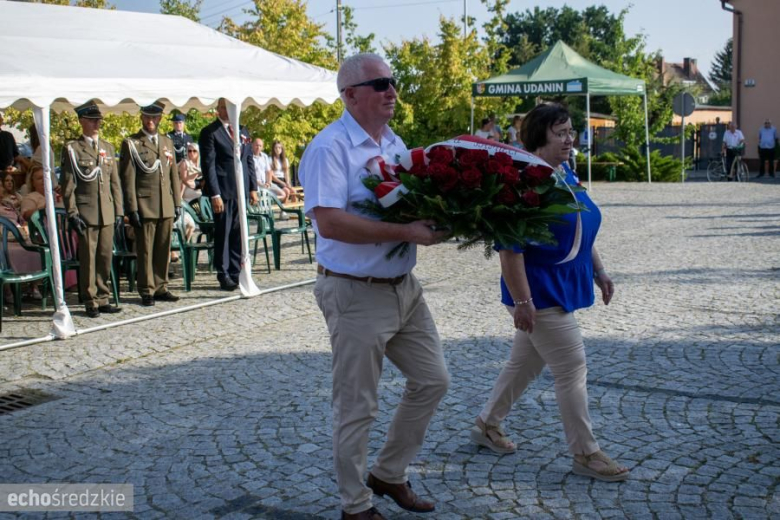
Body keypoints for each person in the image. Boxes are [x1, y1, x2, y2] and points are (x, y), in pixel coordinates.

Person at [299, 53, 450, 520]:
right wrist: (406, 232)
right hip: (354, 291)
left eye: (393, 81)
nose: (392, 91)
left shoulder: (395, 142)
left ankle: (387, 473)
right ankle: (354, 505)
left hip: (403, 287)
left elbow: (406, 202)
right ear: (350, 96)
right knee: (357, 406)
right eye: (380, 83)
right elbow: (329, 223)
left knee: (433, 380)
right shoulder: (330, 148)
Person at [470, 103, 629, 483]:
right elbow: (509, 250)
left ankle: (486, 424)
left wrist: (600, 271)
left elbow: (580, 227)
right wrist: (523, 302)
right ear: (540, 137)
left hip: (559, 287)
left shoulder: (564, 173)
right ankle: (586, 453)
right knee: (572, 369)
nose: (570, 139)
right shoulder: (523, 182)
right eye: (561, 133)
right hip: (539, 291)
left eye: (571, 131)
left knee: (526, 363)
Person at [60, 101, 123, 318]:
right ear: (81, 121)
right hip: (86, 211)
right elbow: (68, 185)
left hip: (106, 210)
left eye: (98, 120)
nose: (96, 124)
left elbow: (115, 183)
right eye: (92, 120)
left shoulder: (107, 147)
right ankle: (90, 299)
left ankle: (103, 296)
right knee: (88, 258)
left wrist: (119, 212)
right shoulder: (73, 149)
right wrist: (72, 212)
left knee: (105, 257)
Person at [119, 101, 181, 306]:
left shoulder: (166, 142)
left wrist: (177, 203)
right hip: (145, 204)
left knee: (163, 247)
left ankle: (161, 286)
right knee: (145, 249)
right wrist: (132, 208)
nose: (151, 121)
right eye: (147, 117)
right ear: (142, 118)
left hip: (165, 204)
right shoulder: (132, 143)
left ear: (161, 119)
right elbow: (128, 179)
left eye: (155, 117)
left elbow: (173, 175)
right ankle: (146, 289)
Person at [199, 98, 258, 291]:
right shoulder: (210, 132)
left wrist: (253, 188)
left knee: (238, 232)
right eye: (223, 107)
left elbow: (249, 160)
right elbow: (209, 165)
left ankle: (235, 270)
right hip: (223, 190)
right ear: (218, 109)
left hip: (241, 189)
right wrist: (215, 194)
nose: (226, 111)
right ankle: (223, 272)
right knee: (223, 232)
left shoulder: (242, 130)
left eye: (229, 107)